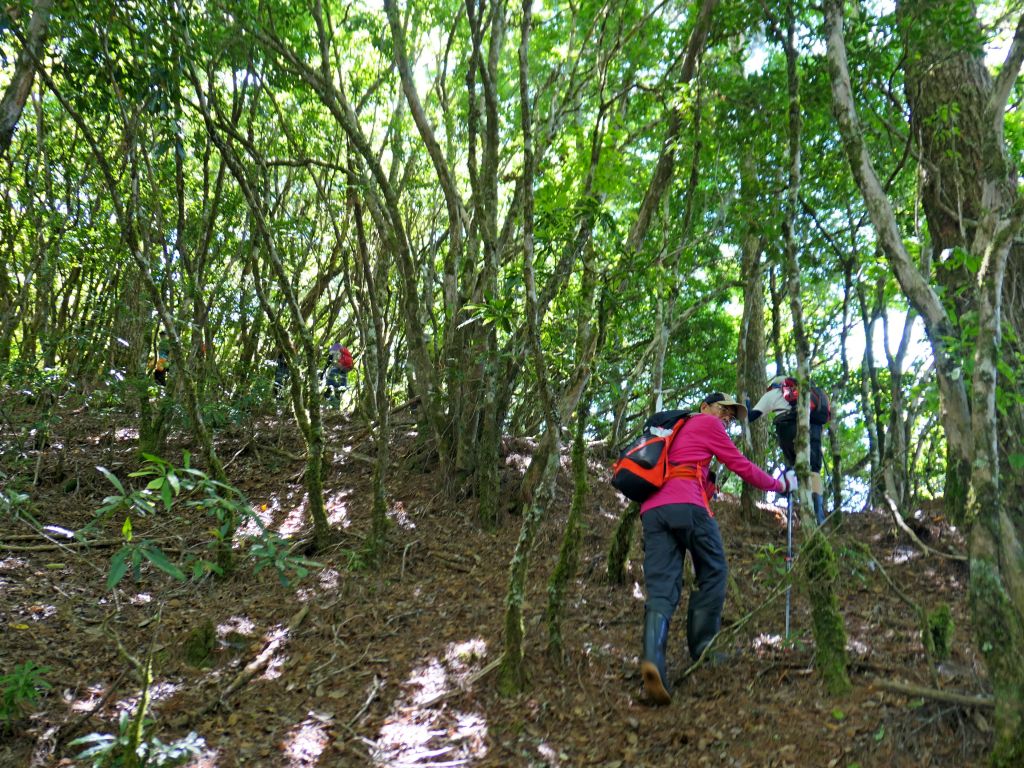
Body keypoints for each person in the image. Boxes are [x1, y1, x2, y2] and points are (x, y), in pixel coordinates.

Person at [640, 392, 796, 705]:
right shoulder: (706, 424)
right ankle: (704, 649)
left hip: (653, 510)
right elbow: (741, 466)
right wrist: (781, 485)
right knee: (714, 571)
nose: (726, 417)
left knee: (661, 588)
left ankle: (652, 662)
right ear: (705, 407)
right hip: (688, 504)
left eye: (731, 415)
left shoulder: (674, 429)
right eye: (723, 409)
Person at [748, 375, 828, 525]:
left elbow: (751, 416)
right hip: (813, 428)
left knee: (794, 464)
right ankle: (818, 513)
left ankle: (784, 489)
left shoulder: (773, 394)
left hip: (788, 427)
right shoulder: (805, 394)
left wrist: (745, 405)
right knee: (814, 470)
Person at [321, 343, 352, 408]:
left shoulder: (334, 349)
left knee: (330, 386)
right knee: (339, 389)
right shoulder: (344, 350)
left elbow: (329, 361)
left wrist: (323, 372)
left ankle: (326, 405)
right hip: (345, 370)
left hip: (336, 369)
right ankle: (336, 407)